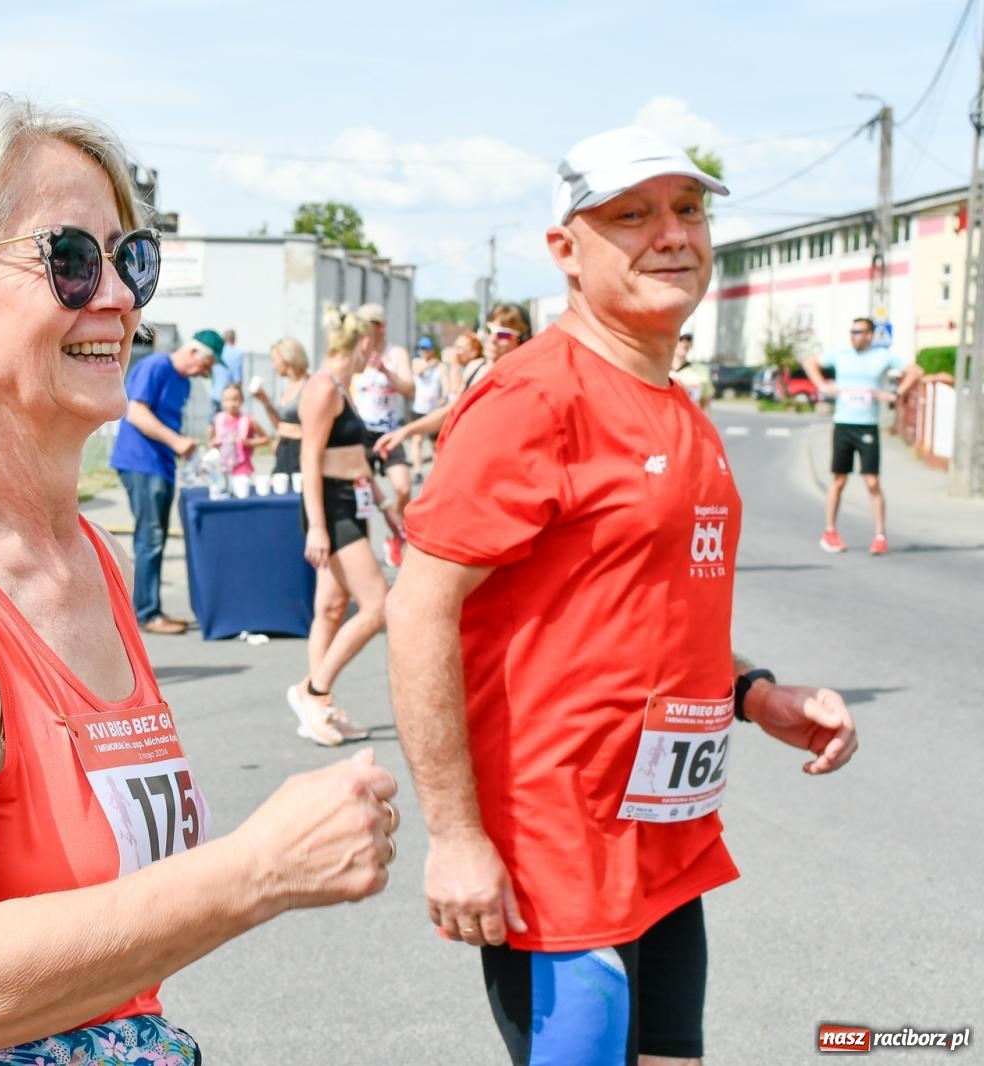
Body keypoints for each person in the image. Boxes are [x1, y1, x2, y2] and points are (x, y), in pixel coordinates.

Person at [0, 93, 398, 1066]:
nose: (118, 296)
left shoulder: (78, 555)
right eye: (68, 258)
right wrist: (256, 871)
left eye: (128, 257)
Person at [387, 127, 859, 1066]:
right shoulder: (533, 401)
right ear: (566, 248)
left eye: (689, 210)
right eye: (632, 215)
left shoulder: (681, 410)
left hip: (664, 843)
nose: (672, 235)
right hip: (557, 850)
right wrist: (455, 836)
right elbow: (419, 607)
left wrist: (759, 694)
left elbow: (645, 617)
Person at [287, 303, 389, 748]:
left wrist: (382, 499)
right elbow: (310, 457)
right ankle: (313, 690)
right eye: (374, 345)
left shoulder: (342, 388)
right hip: (330, 505)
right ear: (362, 343)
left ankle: (320, 707)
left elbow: (350, 456)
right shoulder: (323, 387)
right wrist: (318, 526)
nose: (375, 355)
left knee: (331, 608)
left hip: (351, 499)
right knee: (378, 605)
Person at [109, 330, 220, 634]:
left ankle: (149, 608)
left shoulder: (182, 382)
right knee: (151, 537)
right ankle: (146, 613)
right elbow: (136, 412)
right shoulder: (157, 366)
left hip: (161, 464)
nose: (206, 373)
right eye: (207, 364)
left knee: (154, 536)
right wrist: (177, 441)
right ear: (194, 352)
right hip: (141, 462)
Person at [804, 318, 923, 555]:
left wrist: (896, 393)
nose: (853, 335)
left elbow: (916, 371)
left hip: (867, 427)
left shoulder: (882, 356)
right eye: (851, 331)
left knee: (872, 482)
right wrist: (822, 385)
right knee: (838, 480)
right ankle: (830, 531)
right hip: (843, 425)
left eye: (858, 331)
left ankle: (880, 535)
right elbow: (809, 362)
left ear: (870, 335)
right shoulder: (841, 355)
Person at [370, 309, 525, 459]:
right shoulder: (476, 367)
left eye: (503, 333)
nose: (492, 338)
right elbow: (451, 410)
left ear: (521, 340)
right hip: (466, 457)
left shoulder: (519, 379)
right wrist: (405, 431)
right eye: (489, 329)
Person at [353, 302, 414, 566]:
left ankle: (395, 533)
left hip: (390, 430)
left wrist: (386, 372)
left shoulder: (396, 353)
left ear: (381, 327)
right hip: (362, 431)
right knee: (362, 495)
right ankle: (362, 550)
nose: (364, 332)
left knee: (403, 487)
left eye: (369, 326)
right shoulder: (357, 352)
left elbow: (410, 390)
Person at [252, 336, 310, 475]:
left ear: (287, 358)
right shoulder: (288, 388)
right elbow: (280, 424)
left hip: (301, 451)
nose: (273, 365)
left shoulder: (309, 386)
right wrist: (265, 401)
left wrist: (287, 432)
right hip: (284, 449)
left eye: (274, 360)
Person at [207, 381, 268, 477]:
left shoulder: (248, 420)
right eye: (227, 400)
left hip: (243, 469)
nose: (231, 404)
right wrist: (213, 443)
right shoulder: (218, 419)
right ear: (222, 401)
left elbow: (266, 439)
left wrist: (250, 442)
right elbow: (212, 441)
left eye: (235, 399)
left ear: (242, 400)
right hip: (222, 469)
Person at [407, 336, 447, 482]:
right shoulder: (417, 362)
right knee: (417, 441)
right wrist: (430, 364)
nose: (424, 352)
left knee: (434, 444)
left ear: (432, 350)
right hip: (419, 408)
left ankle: (436, 471)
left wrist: (444, 396)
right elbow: (417, 372)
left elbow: (445, 383)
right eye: (422, 349)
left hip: (434, 409)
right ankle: (417, 470)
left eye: (427, 349)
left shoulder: (440, 366)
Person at [671, 333, 714, 411]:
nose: (685, 343)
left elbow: (706, 405)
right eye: (680, 339)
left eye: (688, 339)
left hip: (691, 422)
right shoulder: (659, 370)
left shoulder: (701, 371)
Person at [208, 327, 244, 414]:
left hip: (215, 395)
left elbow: (209, 375)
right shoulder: (237, 354)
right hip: (229, 399)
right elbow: (237, 380)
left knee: (213, 425)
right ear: (235, 339)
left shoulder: (217, 353)